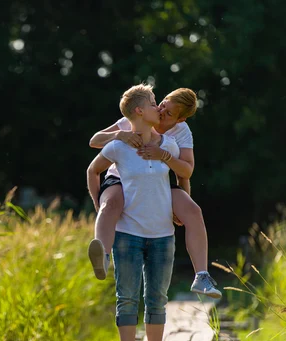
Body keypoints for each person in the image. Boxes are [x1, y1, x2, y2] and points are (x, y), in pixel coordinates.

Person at [87, 88, 221, 299]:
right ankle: (102, 256)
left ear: (180, 119)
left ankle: (201, 276)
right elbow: (94, 141)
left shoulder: (181, 132)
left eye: (168, 113)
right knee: (111, 204)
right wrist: (120, 135)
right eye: (161, 105)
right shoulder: (136, 119)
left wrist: (182, 200)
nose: (160, 111)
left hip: (157, 178)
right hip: (122, 176)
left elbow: (185, 172)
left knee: (193, 211)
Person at [87, 83, 181, 341]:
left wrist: (182, 209)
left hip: (163, 234)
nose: (160, 108)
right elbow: (93, 171)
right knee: (126, 298)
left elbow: (182, 179)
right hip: (127, 234)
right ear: (139, 111)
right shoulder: (117, 146)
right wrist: (98, 202)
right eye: (154, 103)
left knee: (157, 299)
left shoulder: (169, 145)